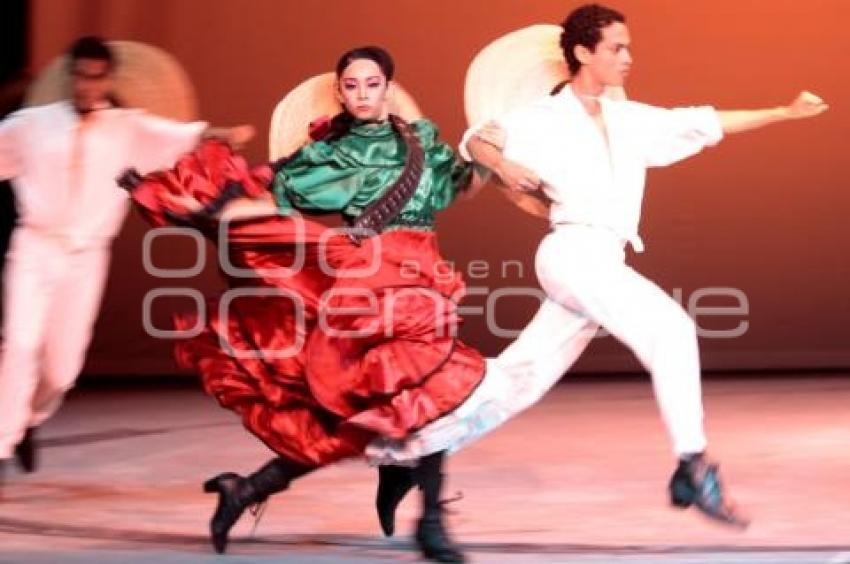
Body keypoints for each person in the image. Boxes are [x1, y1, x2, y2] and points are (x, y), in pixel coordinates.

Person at [367, 3, 828, 530]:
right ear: (584, 53)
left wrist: (784, 113)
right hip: (572, 252)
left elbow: (704, 121)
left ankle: (403, 450)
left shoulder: (629, 120)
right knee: (671, 328)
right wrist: (504, 163)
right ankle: (692, 464)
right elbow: (477, 140)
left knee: (518, 380)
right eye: (617, 48)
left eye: (628, 47)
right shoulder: (542, 119)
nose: (628, 57)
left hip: (601, 260)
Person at [120, 45, 494, 563]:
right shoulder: (334, 151)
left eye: (371, 83)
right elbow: (269, 197)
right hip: (374, 278)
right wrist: (199, 210)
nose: (362, 93)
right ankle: (427, 519)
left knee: (407, 400)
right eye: (352, 85)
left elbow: (459, 186)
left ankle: (252, 489)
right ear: (340, 91)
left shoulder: (423, 142)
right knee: (412, 393)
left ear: (388, 87)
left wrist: (491, 154)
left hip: (423, 271)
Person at [0, 36, 252, 487]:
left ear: (108, 79)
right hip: (35, 247)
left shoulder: (127, 127)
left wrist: (223, 136)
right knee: (18, 344)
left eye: (96, 77)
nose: (86, 86)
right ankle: (2, 438)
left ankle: (27, 417)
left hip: (86, 257)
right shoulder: (31, 123)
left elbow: (186, 137)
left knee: (61, 370)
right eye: (80, 75)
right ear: (70, 76)